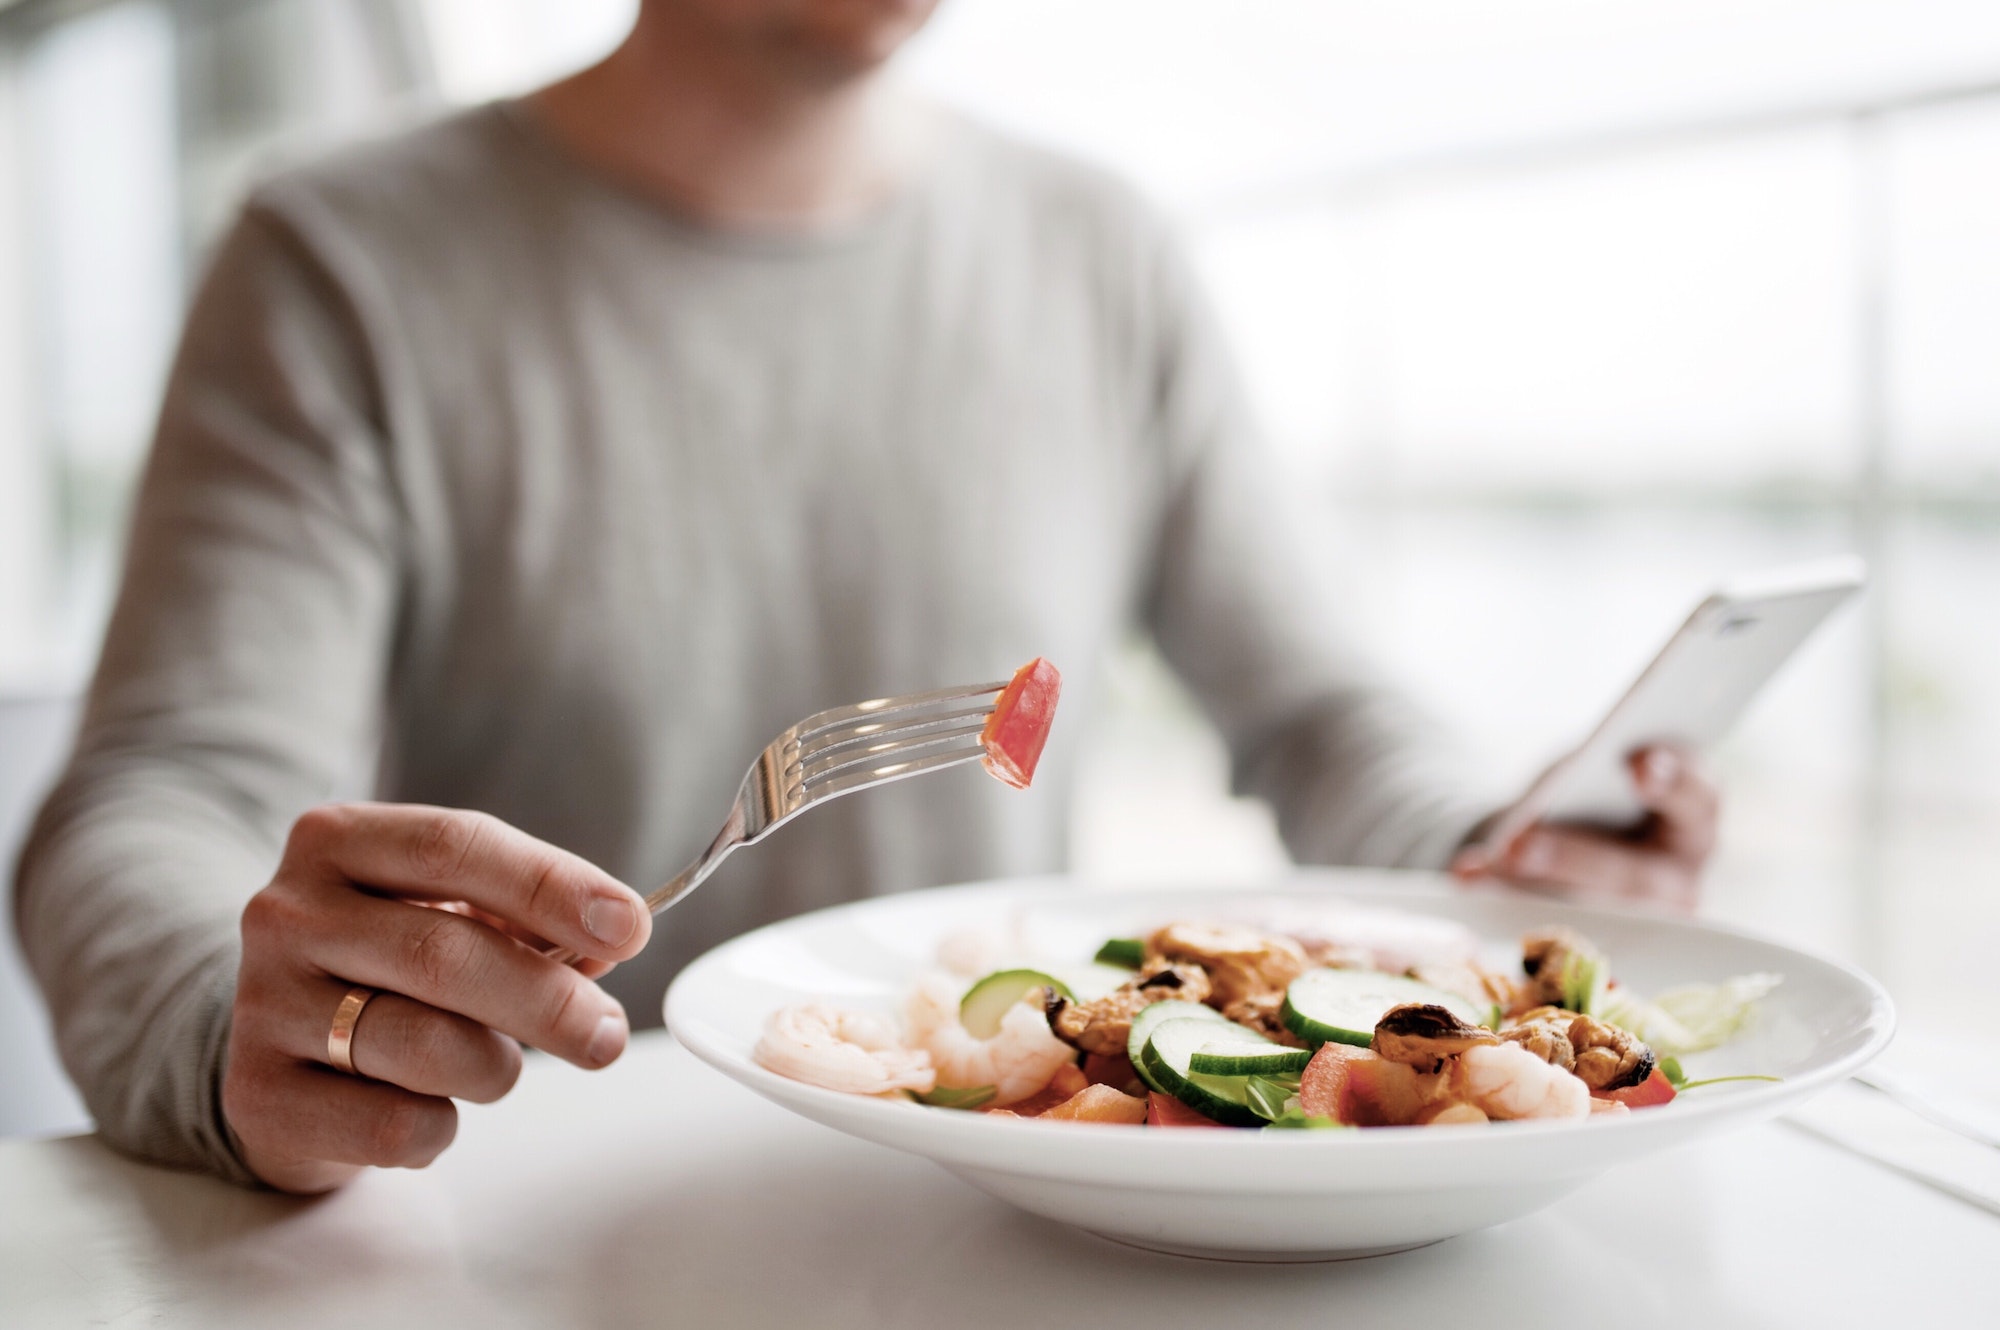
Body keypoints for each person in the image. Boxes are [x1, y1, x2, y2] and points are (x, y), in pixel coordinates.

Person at [12, 0, 1717, 1194]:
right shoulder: (339, 259)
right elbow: (164, 794)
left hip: (1023, 1230)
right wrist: (232, 1036)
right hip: (530, 1225)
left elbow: (1319, 713)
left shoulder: (1099, 249)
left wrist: (1510, 851)